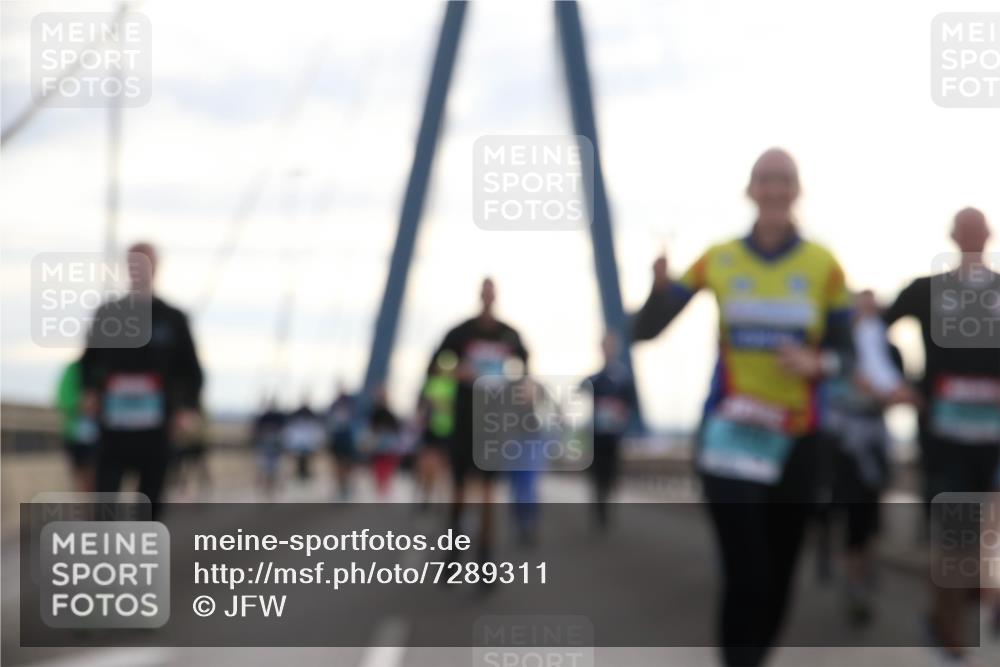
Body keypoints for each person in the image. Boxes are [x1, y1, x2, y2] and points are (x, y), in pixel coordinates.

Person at [632, 148, 854, 667]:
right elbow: (646, 331)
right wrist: (657, 289)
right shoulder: (719, 258)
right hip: (730, 437)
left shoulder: (825, 266)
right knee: (746, 570)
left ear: (797, 190)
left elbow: (846, 356)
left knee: (778, 573)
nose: (775, 189)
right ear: (750, 190)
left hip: (799, 440)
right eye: (765, 179)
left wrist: (815, 363)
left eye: (784, 180)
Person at [882, 207, 1000, 665]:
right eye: (963, 229)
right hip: (944, 441)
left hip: (993, 444)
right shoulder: (926, 291)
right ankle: (945, 630)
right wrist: (899, 383)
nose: (971, 235)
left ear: (988, 234)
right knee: (955, 538)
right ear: (953, 235)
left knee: (981, 539)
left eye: (979, 229)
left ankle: (968, 609)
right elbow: (874, 330)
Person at [81, 242, 203, 516]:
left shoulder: (173, 319)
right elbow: (88, 362)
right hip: (113, 427)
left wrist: (186, 409)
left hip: (157, 428)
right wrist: (89, 392)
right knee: (104, 500)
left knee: (150, 502)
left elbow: (192, 371)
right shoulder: (108, 314)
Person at [823, 290, 912, 627]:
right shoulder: (837, 348)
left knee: (866, 515)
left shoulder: (889, 351)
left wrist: (888, 394)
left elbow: (895, 391)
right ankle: (853, 577)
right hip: (840, 446)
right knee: (849, 514)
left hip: (872, 445)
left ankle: (857, 572)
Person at [431, 277, 529, 567]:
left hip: (493, 423)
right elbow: (435, 366)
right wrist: (455, 373)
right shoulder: (459, 333)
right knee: (459, 489)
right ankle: (454, 547)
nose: (487, 296)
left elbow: (526, 370)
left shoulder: (510, 335)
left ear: (495, 296)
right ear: (479, 295)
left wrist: (520, 392)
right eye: (484, 291)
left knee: (489, 492)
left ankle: (486, 557)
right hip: (463, 419)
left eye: (491, 291)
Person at [580, 332, 639, 529]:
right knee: (597, 476)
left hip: (613, 437)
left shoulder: (623, 378)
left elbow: (631, 405)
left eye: (611, 345)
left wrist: (623, 420)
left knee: (610, 475)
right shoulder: (595, 378)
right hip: (596, 437)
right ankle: (599, 511)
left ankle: (606, 508)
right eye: (605, 345)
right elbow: (580, 388)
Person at [415, 351, 459, 507]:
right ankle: (428, 496)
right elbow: (423, 407)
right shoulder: (434, 383)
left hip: (447, 431)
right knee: (429, 465)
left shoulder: (454, 385)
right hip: (433, 430)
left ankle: (438, 498)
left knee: (443, 467)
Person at [55, 356, 98, 492]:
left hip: (104, 437)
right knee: (83, 481)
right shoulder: (74, 369)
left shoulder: (109, 368)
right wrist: (81, 403)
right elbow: (62, 398)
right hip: (77, 436)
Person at [326, 384, 358, 501]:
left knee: (347, 465)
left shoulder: (352, 405)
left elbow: (355, 423)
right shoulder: (334, 406)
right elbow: (329, 423)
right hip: (337, 440)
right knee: (338, 465)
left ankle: (346, 487)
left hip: (347, 440)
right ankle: (341, 488)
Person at [282, 397, 325, 482]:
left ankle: (307, 474)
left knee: (309, 460)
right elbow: (291, 431)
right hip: (298, 444)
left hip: (308, 444)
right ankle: (299, 474)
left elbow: (317, 430)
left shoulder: (312, 416)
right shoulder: (296, 417)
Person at [252, 396, 285, 496]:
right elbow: (256, 431)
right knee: (264, 468)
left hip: (275, 447)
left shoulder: (279, 418)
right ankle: (265, 487)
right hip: (264, 447)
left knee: (273, 469)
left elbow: (284, 432)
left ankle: (270, 488)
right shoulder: (262, 418)